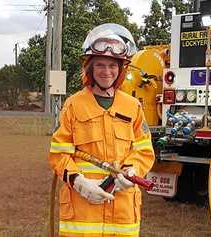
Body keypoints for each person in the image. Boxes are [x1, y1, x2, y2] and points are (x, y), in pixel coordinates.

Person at [48, 23, 155, 237]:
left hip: (122, 211)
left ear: (121, 69)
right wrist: (79, 183)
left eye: (112, 65)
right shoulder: (73, 105)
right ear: (90, 68)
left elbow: (144, 150)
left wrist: (132, 171)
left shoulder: (133, 107)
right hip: (83, 209)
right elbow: (59, 154)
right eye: (100, 65)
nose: (107, 71)